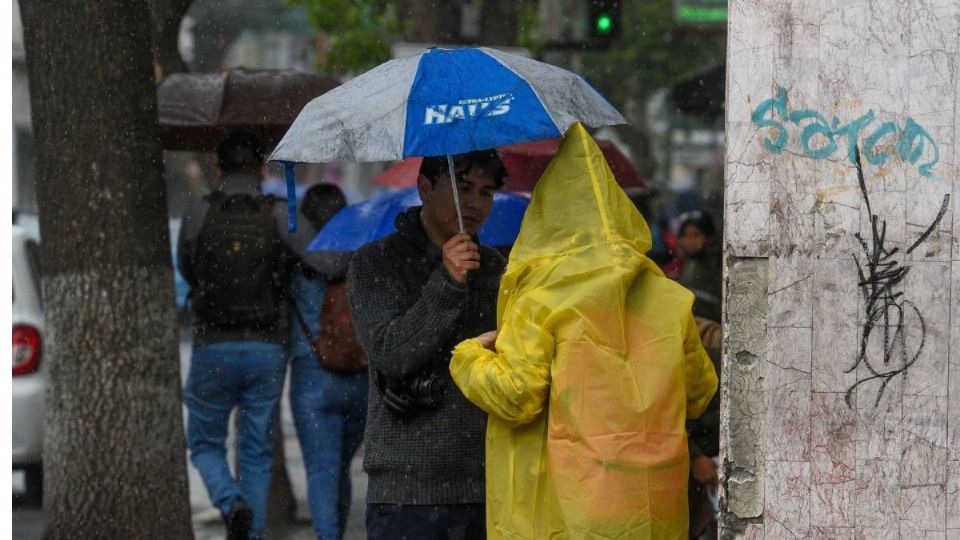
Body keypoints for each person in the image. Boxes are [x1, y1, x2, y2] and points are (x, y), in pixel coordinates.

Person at [450, 123, 718, 539]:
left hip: (566, 509)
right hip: (650, 510)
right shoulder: (670, 300)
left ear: (544, 216)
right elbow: (698, 394)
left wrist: (469, 355)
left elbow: (517, 396)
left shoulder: (540, 299)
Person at [178, 132, 342, 540]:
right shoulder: (279, 214)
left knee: (204, 443)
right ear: (263, 169)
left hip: (211, 344)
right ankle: (248, 532)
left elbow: (187, 266)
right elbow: (324, 260)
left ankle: (230, 502)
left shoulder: (200, 214)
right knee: (255, 449)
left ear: (218, 170)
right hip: (268, 347)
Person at [346, 150, 508, 539]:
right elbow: (392, 355)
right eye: (463, 187)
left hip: (489, 483)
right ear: (424, 187)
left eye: (486, 193)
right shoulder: (376, 262)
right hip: (407, 492)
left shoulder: (496, 268)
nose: (474, 204)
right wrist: (448, 281)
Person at [287, 184, 368, 540]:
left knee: (322, 471)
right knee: (341, 469)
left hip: (311, 375)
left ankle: (327, 535)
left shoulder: (299, 259)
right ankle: (336, 529)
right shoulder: (361, 257)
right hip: (358, 377)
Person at [676, 210, 722, 323]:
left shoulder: (716, 264)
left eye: (696, 235)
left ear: (709, 237)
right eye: (685, 236)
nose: (690, 241)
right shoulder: (691, 262)